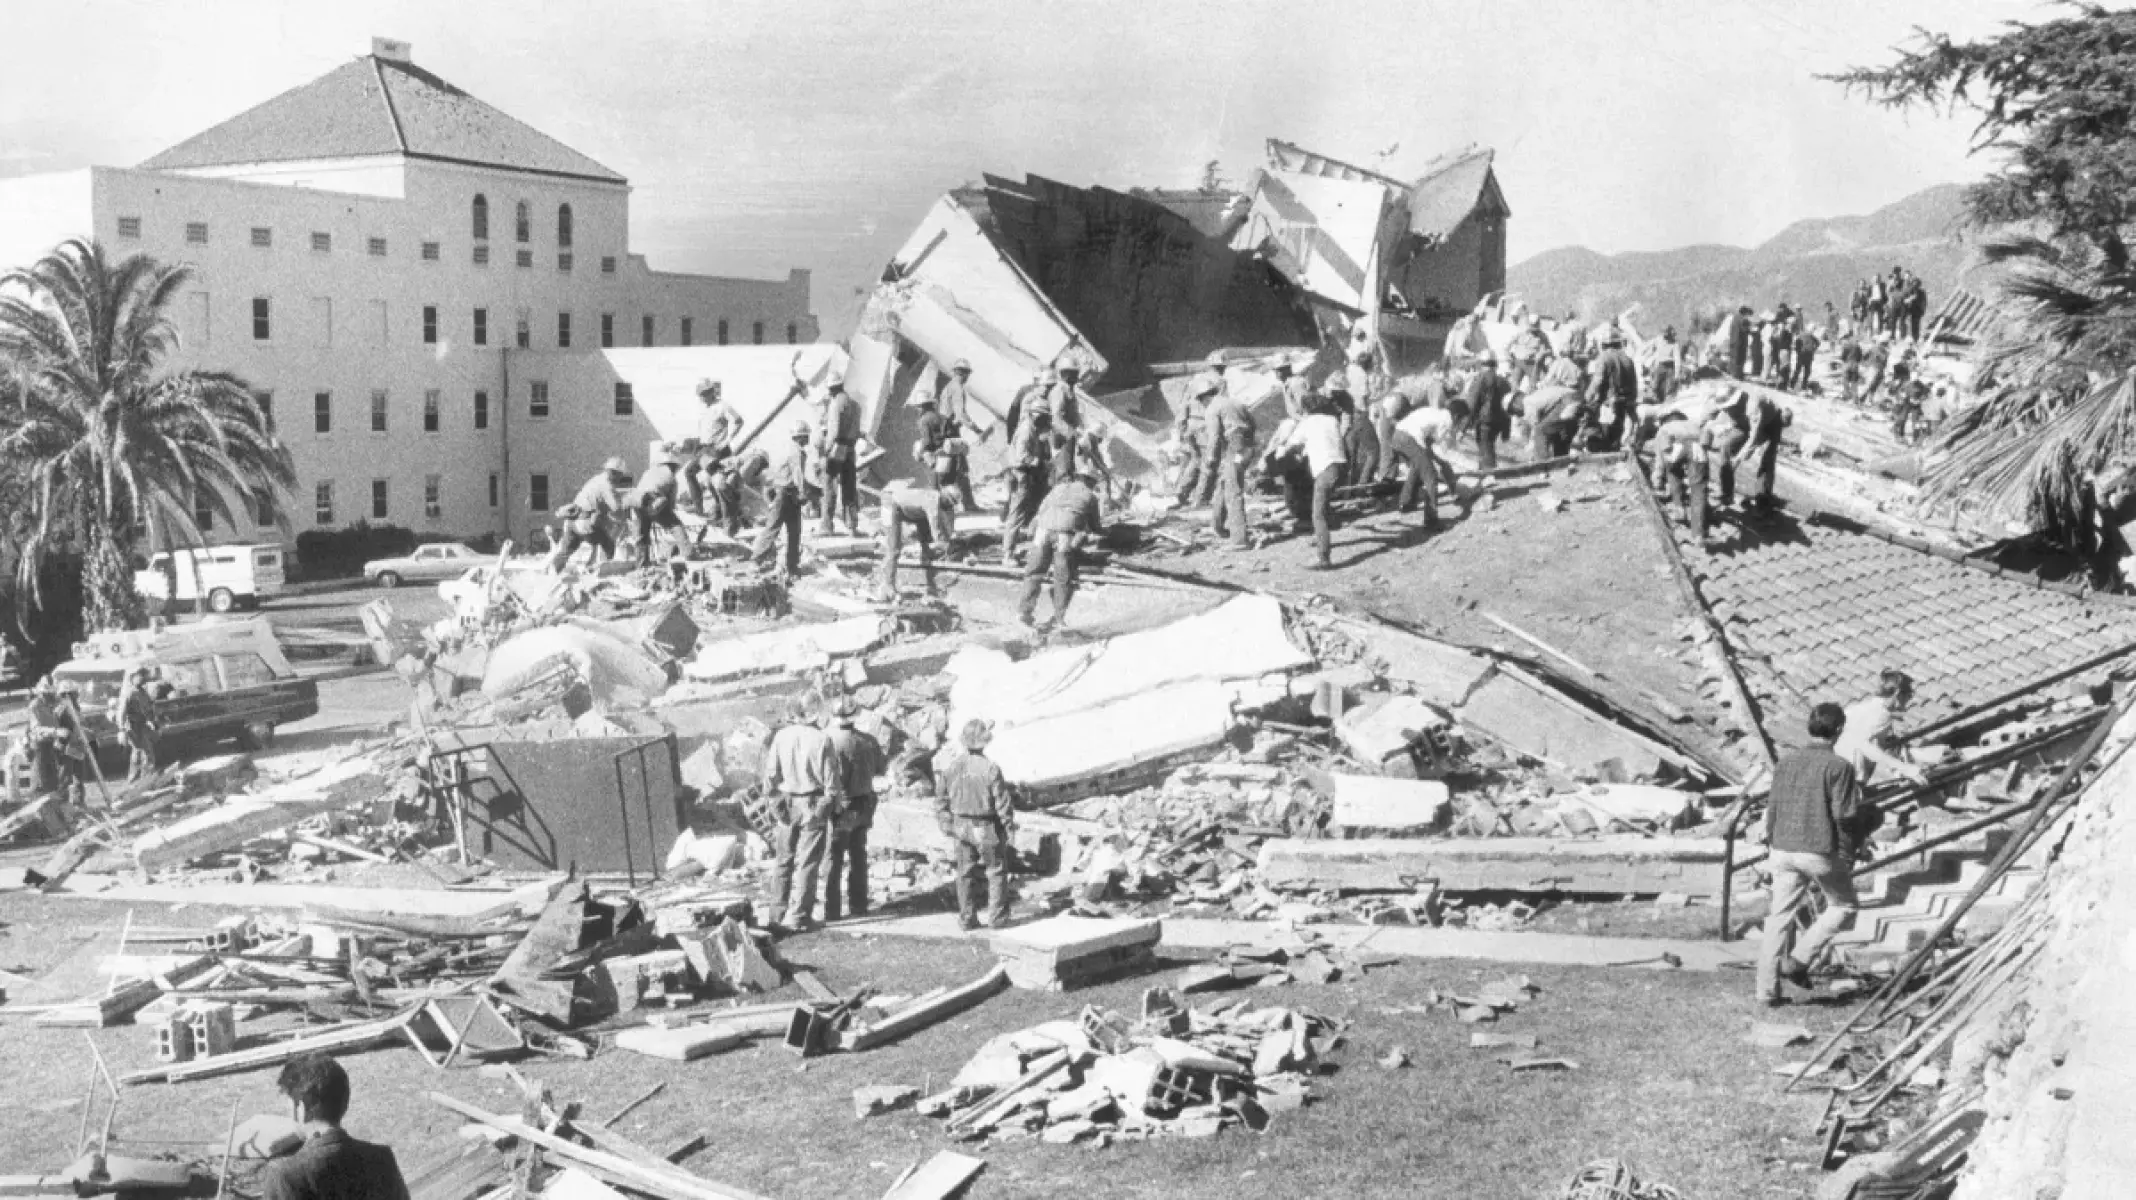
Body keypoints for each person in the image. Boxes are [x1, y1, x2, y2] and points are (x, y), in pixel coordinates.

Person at [1757, 703, 1867, 1005]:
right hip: (1817, 850)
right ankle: (1800, 959)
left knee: (1778, 918)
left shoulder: (1785, 763)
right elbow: (1844, 815)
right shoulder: (1839, 767)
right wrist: (1852, 847)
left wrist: (1771, 842)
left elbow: (1773, 807)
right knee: (1844, 906)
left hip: (1781, 846)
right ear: (1840, 730)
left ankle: (1766, 991)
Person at [259, 1054, 410, 1200]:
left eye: (289, 1106)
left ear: (301, 1108)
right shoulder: (382, 1159)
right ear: (344, 1101)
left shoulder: (285, 1176)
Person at [761, 693, 844, 932]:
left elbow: (770, 778)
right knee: (808, 863)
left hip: (787, 802)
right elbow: (832, 783)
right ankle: (800, 916)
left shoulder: (781, 736)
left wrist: (775, 806)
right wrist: (825, 808)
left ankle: (776, 915)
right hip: (811, 802)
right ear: (813, 712)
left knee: (783, 861)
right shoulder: (822, 739)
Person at [935, 718, 1017, 931]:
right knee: (996, 871)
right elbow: (1002, 804)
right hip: (985, 827)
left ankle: (967, 918)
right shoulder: (991, 769)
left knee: (964, 873)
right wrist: (1008, 828)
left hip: (960, 825)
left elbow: (940, 800)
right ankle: (997, 918)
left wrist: (946, 824)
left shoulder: (951, 767)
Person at [821, 696, 885, 923]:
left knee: (834, 858)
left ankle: (833, 910)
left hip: (843, 806)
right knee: (859, 855)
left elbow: (828, 778)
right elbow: (880, 768)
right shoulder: (868, 741)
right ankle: (859, 905)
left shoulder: (830, 742)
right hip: (864, 804)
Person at [1019, 466, 1103, 630]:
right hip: (1064, 535)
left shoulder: (1057, 488)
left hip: (1042, 531)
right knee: (1062, 577)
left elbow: (1040, 511)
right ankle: (1059, 618)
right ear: (1090, 481)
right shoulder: (1090, 496)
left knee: (1034, 572)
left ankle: (1024, 612)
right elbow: (1095, 526)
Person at [1279, 394, 1347, 570]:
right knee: (1323, 505)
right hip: (1340, 466)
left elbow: (1292, 445)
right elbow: (1323, 441)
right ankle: (1321, 537)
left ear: (1307, 408)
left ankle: (1324, 558)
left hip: (1324, 469)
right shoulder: (1332, 420)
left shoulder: (1307, 423)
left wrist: (1282, 450)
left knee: (1317, 514)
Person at [1836, 670, 1930, 788]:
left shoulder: (1856, 709)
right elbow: (1866, 747)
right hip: (1847, 780)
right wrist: (1904, 768)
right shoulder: (1881, 715)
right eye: (1909, 695)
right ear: (1898, 694)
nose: (1909, 700)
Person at [747, 422, 811, 576]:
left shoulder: (790, 449)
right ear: (802, 437)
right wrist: (804, 493)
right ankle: (756, 561)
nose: (808, 439)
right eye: (806, 436)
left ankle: (792, 566)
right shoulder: (796, 452)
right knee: (775, 528)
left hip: (787, 493)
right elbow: (798, 475)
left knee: (793, 531)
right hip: (786, 495)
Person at [875, 482, 956, 604]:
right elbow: (935, 524)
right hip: (892, 504)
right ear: (944, 496)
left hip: (908, 509)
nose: (950, 506)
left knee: (923, 522)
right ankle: (887, 585)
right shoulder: (932, 501)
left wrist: (951, 536)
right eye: (950, 502)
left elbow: (949, 519)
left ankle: (926, 553)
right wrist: (942, 542)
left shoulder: (943, 502)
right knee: (894, 548)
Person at [1204, 375, 1257, 551]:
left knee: (1233, 491)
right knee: (1225, 483)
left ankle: (1240, 539)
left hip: (1234, 449)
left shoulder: (1212, 408)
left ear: (1203, 396)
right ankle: (1218, 526)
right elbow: (1253, 424)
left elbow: (1214, 437)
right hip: (1246, 449)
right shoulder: (1236, 402)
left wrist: (1211, 459)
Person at [549, 457, 630, 571]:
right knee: (608, 544)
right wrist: (627, 512)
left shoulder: (595, 479)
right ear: (615, 473)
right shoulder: (607, 486)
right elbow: (617, 509)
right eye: (620, 476)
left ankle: (551, 574)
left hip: (572, 522)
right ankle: (600, 572)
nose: (620, 479)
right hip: (585, 523)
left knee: (565, 552)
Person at [1001, 409, 1054, 565]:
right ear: (1037, 416)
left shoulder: (1031, 428)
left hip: (1026, 475)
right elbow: (1022, 456)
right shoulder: (1026, 431)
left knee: (1025, 512)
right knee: (1016, 515)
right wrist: (1041, 463)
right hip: (1020, 474)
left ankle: (1016, 548)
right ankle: (1008, 554)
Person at [1389, 399, 1451, 527]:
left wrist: (1434, 457)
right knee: (1430, 476)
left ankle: (1405, 503)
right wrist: (1442, 462)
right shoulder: (1445, 420)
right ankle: (1431, 519)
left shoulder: (1431, 412)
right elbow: (1438, 441)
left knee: (1417, 467)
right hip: (1409, 438)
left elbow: (1427, 443)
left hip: (1397, 435)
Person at [685, 378, 742, 513]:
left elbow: (739, 421)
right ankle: (700, 509)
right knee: (690, 472)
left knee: (716, 482)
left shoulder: (723, 406)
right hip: (704, 450)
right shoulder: (705, 409)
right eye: (701, 394)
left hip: (717, 450)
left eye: (705, 393)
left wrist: (727, 441)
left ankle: (727, 511)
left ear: (712, 392)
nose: (703, 397)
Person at [815, 377, 862, 537]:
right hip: (850, 448)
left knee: (829, 486)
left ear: (831, 389)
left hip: (837, 448)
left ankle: (826, 526)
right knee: (850, 486)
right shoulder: (855, 404)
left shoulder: (836, 404)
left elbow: (833, 431)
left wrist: (825, 452)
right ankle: (852, 525)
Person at [1649, 413, 1708, 540]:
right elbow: (1706, 443)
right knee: (1698, 491)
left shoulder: (1664, 429)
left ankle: (1679, 508)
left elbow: (1660, 459)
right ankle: (1698, 534)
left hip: (1676, 449)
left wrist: (1657, 483)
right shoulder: (1694, 425)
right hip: (1698, 448)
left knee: (1673, 472)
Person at [629, 446, 686, 567]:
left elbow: (641, 488)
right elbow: (670, 505)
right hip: (654, 501)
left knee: (641, 536)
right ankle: (688, 553)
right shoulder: (671, 478)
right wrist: (667, 522)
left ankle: (642, 565)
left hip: (636, 502)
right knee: (676, 526)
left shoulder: (649, 471)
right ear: (674, 465)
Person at [1736, 391, 1790, 511]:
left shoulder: (1756, 413)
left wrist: (1738, 459)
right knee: (1765, 460)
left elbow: (1753, 439)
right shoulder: (1744, 402)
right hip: (1767, 417)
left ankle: (1763, 500)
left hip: (1773, 422)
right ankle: (1764, 496)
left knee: (1767, 461)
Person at [1586, 330, 1639, 449]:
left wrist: (1587, 397)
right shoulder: (1628, 359)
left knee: (1605, 437)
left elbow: (1597, 382)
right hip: (1624, 403)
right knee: (1617, 435)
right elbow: (1634, 383)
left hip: (1609, 403)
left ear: (1603, 344)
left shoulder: (1604, 358)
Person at [1172, 373, 1219, 507]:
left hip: (1192, 428)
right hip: (1203, 428)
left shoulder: (1190, 392)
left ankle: (1181, 491)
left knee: (1195, 461)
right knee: (1208, 463)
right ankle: (1201, 497)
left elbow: (1181, 415)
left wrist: (1183, 432)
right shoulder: (1210, 389)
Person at [1463, 357, 1510, 470]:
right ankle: (1485, 470)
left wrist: (1463, 426)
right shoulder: (1503, 381)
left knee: (1485, 446)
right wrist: (1506, 429)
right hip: (1501, 420)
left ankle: (1489, 474)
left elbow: (1472, 403)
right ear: (1495, 367)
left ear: (1483, 366)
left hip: (1485, 419)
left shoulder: (1479, 380)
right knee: (1489, 445)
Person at [115, 667, 159, 782]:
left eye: (143, 675)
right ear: (132, 677)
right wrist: (121, 729)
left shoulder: (143, 692)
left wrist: (155, 722)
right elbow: (121, 712)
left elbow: (149, 709)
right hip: (132, 727)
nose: (142, 678)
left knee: (138, 752)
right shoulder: (129, 693)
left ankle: (135, 778)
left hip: (143, 725)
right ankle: (146, 778)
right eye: (139, 675)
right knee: (147, 752)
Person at [937, 358, 977, 430]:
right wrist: (974, 428)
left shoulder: (950, 385)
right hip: (948, 425)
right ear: (964, 374)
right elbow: (960, 413)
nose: (968, 377)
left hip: (944, 423)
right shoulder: (957, 389)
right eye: (968, 374)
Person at [1791, 324, 1821, 391]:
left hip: (1806, 356)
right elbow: (1796, 344)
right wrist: (1813, 349)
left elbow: (1818, 343)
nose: (1812, 331)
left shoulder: (1810, 337)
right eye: (1812, 329)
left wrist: (1813, 349)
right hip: (1804, 355)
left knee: (1804, 372)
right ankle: (1795, 384)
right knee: (1800, 371)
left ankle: (1799, 385)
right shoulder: (1804, 336)